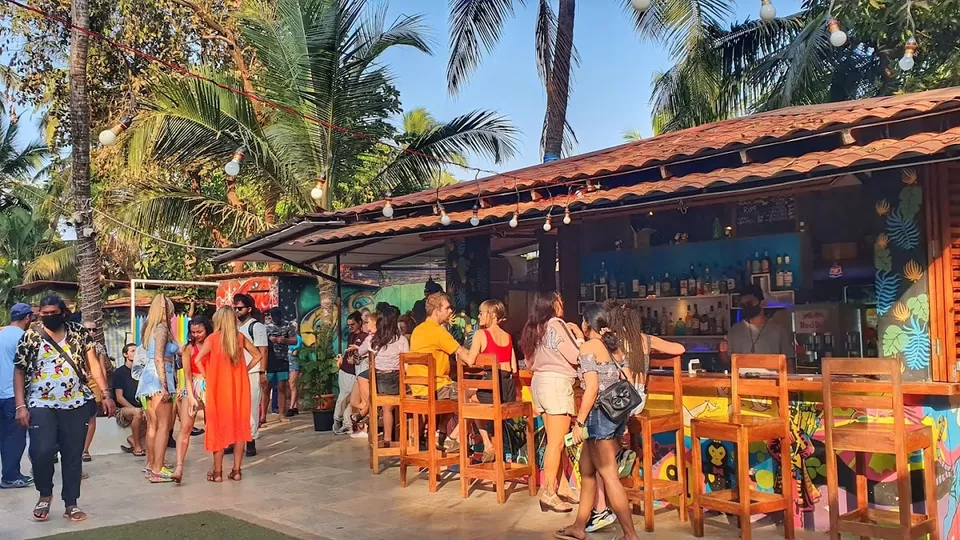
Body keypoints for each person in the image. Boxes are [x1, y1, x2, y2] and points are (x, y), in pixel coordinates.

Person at [13, 294, 115, 522]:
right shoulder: (30, 337)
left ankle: (71, 503)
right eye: (45, 313)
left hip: (75, 403)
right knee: (41, 451)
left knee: (72, 454)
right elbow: (19, 371)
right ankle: (45, 493)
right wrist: (20, 405)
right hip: (40, 403)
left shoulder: (78, 332)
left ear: (63, 312)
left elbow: (93, 365)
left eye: (53, 313)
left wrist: (106, 394)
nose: (49, 316)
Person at [555, 305, 639, 540]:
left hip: (598, 417)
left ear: (586, 323)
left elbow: (591, 389)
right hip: (616, 417)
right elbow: (630, 381)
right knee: (587, 471)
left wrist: (579, 423)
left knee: (609, 477)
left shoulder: (588, 347)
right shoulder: (614, 348)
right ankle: (579, 526)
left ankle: (630, 534)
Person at [521, 290, 582, 513]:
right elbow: (576, 355)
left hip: (539, 383)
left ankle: (562, 486)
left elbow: (528, 362)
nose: (562, 303)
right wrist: (579, 336)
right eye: (559, 300)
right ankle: (548, 491)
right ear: (552, 304)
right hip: (557, 384)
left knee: (554, 440)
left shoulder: (533, 328)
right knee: (556, 443)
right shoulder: (557, 324)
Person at [191, 307, 262, 483]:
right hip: (239, 387)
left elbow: (197, 359)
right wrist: (244, 370)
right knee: (239, 429)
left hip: (218, 389)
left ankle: (218, 472)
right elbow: (258, 355)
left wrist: (207, 375)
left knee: (218, 428)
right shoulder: (239, 337)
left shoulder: (212, 339)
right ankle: (237, 471)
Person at [409, 293, 469, 452]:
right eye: (447, 308)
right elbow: (462, 354)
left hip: (418, 389)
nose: (450, 311)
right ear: (436, 311)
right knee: (473, 394)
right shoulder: (438, 331)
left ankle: (440, 435)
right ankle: (453, 438)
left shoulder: (417, 330)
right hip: (436, 388)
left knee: (453, 389)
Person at [461, 299, 517, 463]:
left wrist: (460, 352)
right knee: (473, 398)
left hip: (492, 390)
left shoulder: (481, 334)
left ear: (491, 315)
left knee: (469, 400)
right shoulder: (508, 336)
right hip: (508, 392)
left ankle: (485, 443)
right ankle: (484, 444)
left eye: (481, 313)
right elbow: (514, 368)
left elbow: (470, 361)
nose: (478, 317)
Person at [135, 294, 180, 483]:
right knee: (163, 426)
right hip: (159, 377)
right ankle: (157, 469)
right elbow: (159, 357)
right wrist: (165, 386)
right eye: (170, 310)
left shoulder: (149, 328)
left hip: (148, 379)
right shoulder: (161, 329)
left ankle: (151, 465)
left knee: (153, 426)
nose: (172, 315)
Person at [171, 315, 212, 483]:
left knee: (212, 426)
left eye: (199, 331)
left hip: (211, 385)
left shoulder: (213, 344)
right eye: (193, 332)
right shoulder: (188, 348)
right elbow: (187, 375)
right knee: (185, 427)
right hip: (193, 384)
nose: (196, 335)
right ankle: (179, 466)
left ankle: (215, 465)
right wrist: (191, 395)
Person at [719, 284, 796, 374]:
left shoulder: (779, 331)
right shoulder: (735, 329)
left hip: (772, 381)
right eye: (743, 305)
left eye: (749, 303)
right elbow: (726, 362)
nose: (746, 307)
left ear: (762, 303)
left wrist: (788, 381)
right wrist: (722, 351)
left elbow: (789, 364)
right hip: (741, 381)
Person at [0, 303, 34, 489]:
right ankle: (11, 476)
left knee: (3, 437)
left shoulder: (1, 334)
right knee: (14, 438)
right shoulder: (24, 337)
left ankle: (9, 473)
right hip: (13, 395)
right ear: (27, 317)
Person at [232, 293, 267, 456]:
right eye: (235, 308)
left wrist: (262, 372)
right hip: (237, 372)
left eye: (239, 308)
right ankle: (235, 439)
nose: (237, 311)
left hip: (253, 371)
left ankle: (251, 439)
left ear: (249, 309)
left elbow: (263, 351)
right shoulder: (236, 327)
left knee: (251, 406)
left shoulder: (256, 326)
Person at [80, 320, 111, 464]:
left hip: (94, 382)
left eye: (94, 330)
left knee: (91, 415)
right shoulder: (73, 343)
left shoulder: (98, 346)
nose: (91, 332)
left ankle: (85, 450)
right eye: (89, 329)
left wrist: (105, 392)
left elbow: (101, 368)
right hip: (78, 381)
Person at [334, 311, 366, 435]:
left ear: (360, 323)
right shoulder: (352, 335)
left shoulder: (364, 337)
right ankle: (337, 420)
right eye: (348, 325)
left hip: (357, 373)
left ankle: (347, 424)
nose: (350, 327)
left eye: (352, 325)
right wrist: (343, 357)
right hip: (347, 371)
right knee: (343, 397)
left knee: (352, 401)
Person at [347, 312, 377, 439]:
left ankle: (366, 427)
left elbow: (361, 351)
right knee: (354, 400)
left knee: (367, 399)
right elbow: (360, 352)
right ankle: (367, 413)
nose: (366, 325)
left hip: (369, 372)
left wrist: (357, 350)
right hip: (361, 372)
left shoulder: (372, 337)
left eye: (367, 322)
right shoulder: (364, 337)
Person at [264, 307, 297, 423]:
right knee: (266, 387)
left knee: (281, 386)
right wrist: (270, 340)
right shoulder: (266, 327)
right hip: (269, 360)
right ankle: (263, 416)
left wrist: (284, 340)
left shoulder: (288, 325)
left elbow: (295, 340)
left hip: (282, 359)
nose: (276, 319)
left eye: (278, 317)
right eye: (274, 317)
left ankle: (281, 414)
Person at [113, 343, 146, 457]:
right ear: (125, 354)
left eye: (137, 351)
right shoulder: (119, 373)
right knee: (137, 412)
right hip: (122, 409)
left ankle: (133, 438)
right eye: (133, 351)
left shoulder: (142, 371)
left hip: (141, 406)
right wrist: (135, 409)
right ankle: (137, 447)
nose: (136, 353)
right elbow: (119, 397)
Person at [285, 321, 302, 417]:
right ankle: (295, 406)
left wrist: (290, 351)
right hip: (287, 362)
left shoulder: (298, 338)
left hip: (294, 363)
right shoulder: (287, 338)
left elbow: (296, 351)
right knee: (290, 385)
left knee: (292, 385)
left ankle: (291, 407)